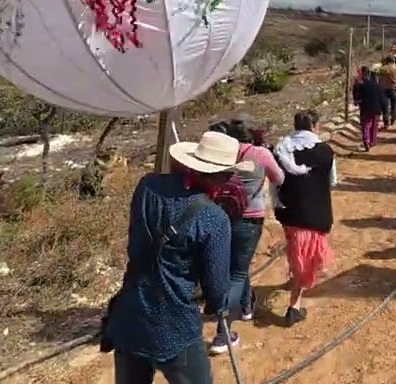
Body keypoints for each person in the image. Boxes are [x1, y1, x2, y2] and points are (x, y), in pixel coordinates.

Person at [106, 130, 253, 384]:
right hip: (174, 326)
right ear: (222, 177)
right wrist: (218, 307)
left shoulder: (147, 186)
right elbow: (217, 290)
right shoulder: (214, 219)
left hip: (130, 314)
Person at [203, 119, 284, 354]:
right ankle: (223, 333)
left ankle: (247, 306)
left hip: (221, 215)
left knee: (236, 266)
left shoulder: (222, 152)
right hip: (250, 219)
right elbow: (279, 178)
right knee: (237, 272)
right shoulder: (260, 154)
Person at [272, 110, 338, 326]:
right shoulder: (325, 151)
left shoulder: (281, 149)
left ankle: (295, 280)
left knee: (295, 249)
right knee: (308, 259)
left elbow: (276, 181)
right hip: (314, 214)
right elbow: (332, 181)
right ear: (315, 126)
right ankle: (294, 306)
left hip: (287, 212)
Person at [352, 67, 387, 151]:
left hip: (365, 109)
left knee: (365, 125)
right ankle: (372, 141)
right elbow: (383, 99)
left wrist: (356, 102)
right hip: (376, 109)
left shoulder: (361, 86)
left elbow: (357, 97)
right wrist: (384, 109)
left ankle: (366, 141)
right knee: (374, 126)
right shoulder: (378, 86)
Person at [377, 57, 396, 127]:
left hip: (383, 89)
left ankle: (386, 123)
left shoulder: (382, 69)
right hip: (393, 89)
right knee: (394, 105)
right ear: (393, 61)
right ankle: (393, 121)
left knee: (385, 107)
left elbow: (379, 79)